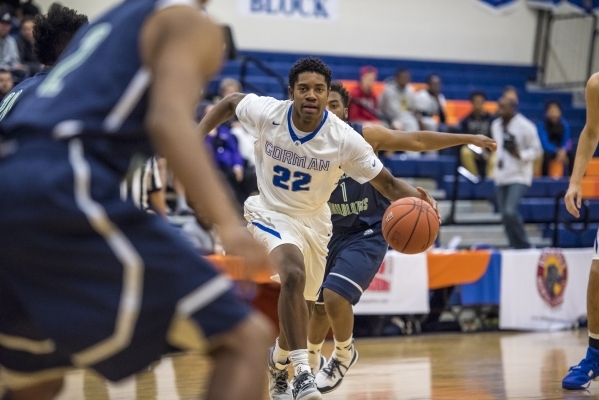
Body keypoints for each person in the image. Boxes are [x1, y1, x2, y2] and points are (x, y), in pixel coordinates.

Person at [0, 2, 274, 400]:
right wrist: (229, 224)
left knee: (40, 379)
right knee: (246, 340)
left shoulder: (117, 16)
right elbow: (167, 120)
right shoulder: (188, 22)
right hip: (65, 177)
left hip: (12, 183)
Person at [198, 57, 437, 400]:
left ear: (328, 96)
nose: (311, 95)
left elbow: (387, 184)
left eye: (319, 89)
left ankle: (279, 364)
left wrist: (422, 202)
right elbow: (230, 103)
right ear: (292, 92)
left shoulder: (343, 139)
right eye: (304, 88)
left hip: (314, 222)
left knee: (305, 306)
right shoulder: (270, 113)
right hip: (269, 212)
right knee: (292, 274)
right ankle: (303, 376)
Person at [306, 82, 496, 393]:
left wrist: (467, 137)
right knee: (316, 307)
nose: (329, 111)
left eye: (335, 105)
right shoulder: (305, 145)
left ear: (345, 110)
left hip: (367, 231)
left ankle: (343, 354)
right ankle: (310, 362)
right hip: (327, 231)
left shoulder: (365, 136)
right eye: (323, 106)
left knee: (334, 296)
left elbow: (417, 140)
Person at [563, 72, 599, 391]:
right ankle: (596, 354)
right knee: (598, 276)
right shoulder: (597, 85)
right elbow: (591, 132)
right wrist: (575, 181)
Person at [491, 96, 542, 249]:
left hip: (519, 174)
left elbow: (537, 149)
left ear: (513, 108)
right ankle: (514, 246)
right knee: (504, 216)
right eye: (499, 106)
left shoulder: (526, 126)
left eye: (504, 107)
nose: (500, 110)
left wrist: (520, 155)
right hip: (501, 174)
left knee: (509, 211)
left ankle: (524, 245)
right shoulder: (495, 125)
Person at [459, 91, 495, 178]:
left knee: (497, 155)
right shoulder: (466, 121)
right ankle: (474, 177)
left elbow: (495, 138)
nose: (478, 105)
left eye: (480, 102)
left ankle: (490, 179)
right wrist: (477, 150)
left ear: (484, 103)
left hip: (489, 148)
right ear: (472, 103)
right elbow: (464, 140)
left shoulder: (491, 120)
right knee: (465, 151)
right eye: (476, 102)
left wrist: (486, 149)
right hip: (472, 148)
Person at [537, 100, 571, 177]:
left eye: (556, 111)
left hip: (561, 151)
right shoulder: (542, 126)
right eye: (551, 111)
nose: (554, 113)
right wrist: (556, 150)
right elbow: (544, 143)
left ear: (560, 112)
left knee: (573, 155)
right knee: (545, 156)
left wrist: (564, 150)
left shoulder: (564, 125)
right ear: (547, 112)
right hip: (549, 150)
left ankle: (573, 178)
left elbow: (567, 141)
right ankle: (545, 177)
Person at [0, 10, 22, 77]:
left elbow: (15, 61)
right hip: (3, 69)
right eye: (2, 23)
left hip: (9, 70)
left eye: (7, 24)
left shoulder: (11, 41)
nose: (5, 27)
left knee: (24, 71)